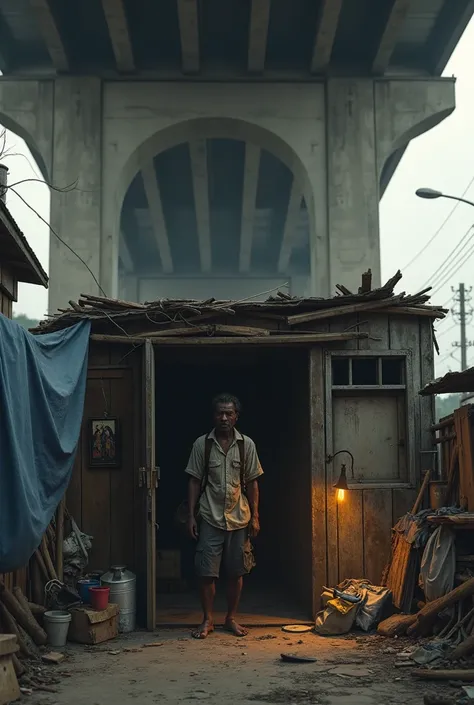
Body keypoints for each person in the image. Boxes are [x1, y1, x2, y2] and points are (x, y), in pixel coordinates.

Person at [185, 393, 263, 639]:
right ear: (213, 415)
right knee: (207, 572)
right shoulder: (202, 444)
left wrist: (256, 515)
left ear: (236, 416)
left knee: (236, 572)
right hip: (210, 517)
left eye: (229, 413)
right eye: (220, 412)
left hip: (239, 518)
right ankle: (208, 620)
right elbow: (194, 481)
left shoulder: (246, 444)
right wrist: (190, 515)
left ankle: (230, 618)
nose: (224, 417)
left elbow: (252, 482)